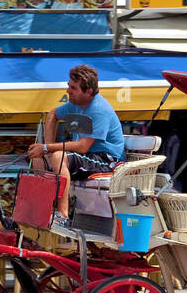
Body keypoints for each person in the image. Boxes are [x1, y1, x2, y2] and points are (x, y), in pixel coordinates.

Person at [26, 64, 125, 227]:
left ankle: (62, 215)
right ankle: (43, 210)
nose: (68, 91)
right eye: (68, 86)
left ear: (89, 92)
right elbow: (52, 115)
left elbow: (83, 147)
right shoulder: (76, 103)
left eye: (73, 88)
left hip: (107, 160)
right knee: (38, 160)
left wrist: (47, 148)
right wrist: (47, 150)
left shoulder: (99, 110)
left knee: (59, 156)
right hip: (87, 157)